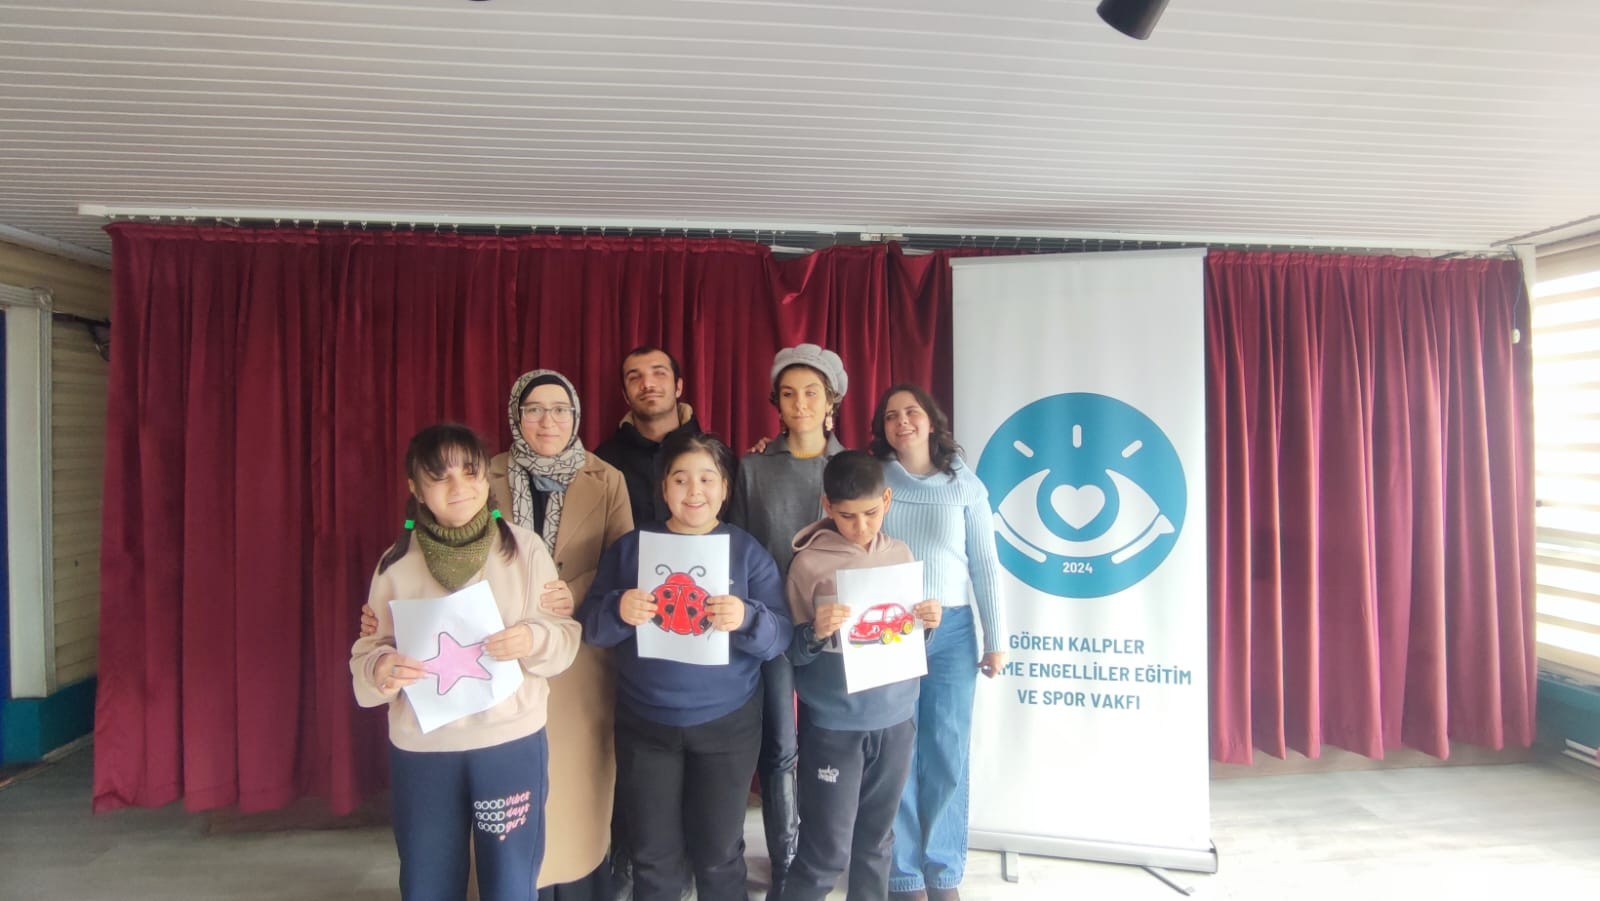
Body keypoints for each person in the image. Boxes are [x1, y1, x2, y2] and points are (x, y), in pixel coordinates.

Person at [361, 372, 634, 901]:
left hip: (551, 678)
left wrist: (564, 603)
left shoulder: (596, 487)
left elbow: (623, 561)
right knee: (439, 860)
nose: (547, 420)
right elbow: (373, 647)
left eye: (560, 409)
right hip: (440, 727)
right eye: (534, 409)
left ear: (576, 416)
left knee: (539, 833)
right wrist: (378, 662)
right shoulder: (401, 558)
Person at [581, 432, 794, 901]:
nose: (694, 491)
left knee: (719, 854)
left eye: (706, 479)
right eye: (680, 479)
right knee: (652, 855)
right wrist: (619, 609)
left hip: (727, 727)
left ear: (725, 488)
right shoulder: (632, 548)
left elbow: (781, 637)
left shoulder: (746, 551)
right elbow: (591, 629)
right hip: (645, 726)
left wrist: (748, 618)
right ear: (663, 488)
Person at [782, 451, 942, 901]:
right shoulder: (808, 565)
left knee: (877, 843)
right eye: (848, 516)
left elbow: (907, 641)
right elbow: (790, 652)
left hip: (896, 720)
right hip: (834, 726)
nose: (861, 526)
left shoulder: (900, 553)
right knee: (825, 852)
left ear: (887, 500)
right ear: (827, 506)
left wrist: (927, 625)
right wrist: (814, 633)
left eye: (871, 513)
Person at [869, 385, 1007, 901]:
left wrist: (996, 638)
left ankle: (944, 871)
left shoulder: (965, 486)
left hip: (952, 632)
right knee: (897, 754)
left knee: (947, 751)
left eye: (912, 412)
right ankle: (904, 875)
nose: (902, 421)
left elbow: (984, 565)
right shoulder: (873, 480)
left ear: (931, 421)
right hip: (890, 629)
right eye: (891, 415)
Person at [727, 343, 849, 901]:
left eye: (812, 393)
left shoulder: (851, 469)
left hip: (836, 628)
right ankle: (784, 866)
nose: (800, 404)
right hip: (774, 628)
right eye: (789, 393)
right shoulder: (752, 467)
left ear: (832, 401)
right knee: (779, 748)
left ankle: (823, 860)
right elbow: (736, 546)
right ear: (775, 402)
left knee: (833, 746)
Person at [595, 346, 703, 527]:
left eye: (659, 373)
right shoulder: (602, 463)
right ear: (625, 396)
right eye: (634, 377)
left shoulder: (715, 456)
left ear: (678, 387)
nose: (647, 384)